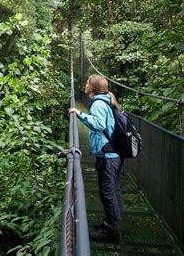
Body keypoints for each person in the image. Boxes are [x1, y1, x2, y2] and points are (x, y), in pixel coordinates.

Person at [68, 74, 122, 242]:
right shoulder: (106, 100)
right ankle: (111, 223)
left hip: (107, 155)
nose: (85, 85)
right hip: (114, 153)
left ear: (92, 87)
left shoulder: (98, 103)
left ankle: (111, 231)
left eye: (87, 83)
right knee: (113, 189)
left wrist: (79, 114)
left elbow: (99, 125)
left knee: (107, 192)